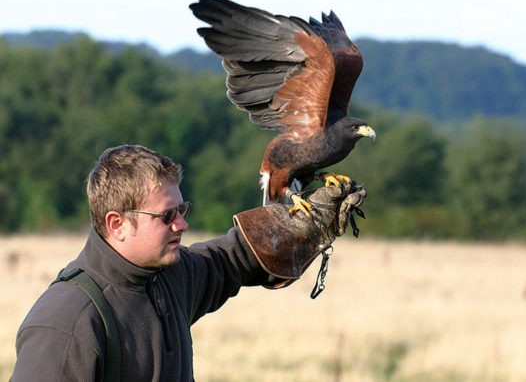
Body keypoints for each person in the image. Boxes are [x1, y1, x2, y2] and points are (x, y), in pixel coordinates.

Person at [12, 144, 366, 381]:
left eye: (181, 210)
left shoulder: (168, 276)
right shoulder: (66, 323)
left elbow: (234, 259)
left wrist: (302, 226)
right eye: (166, 215)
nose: (181, 224)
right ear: (117, 224)